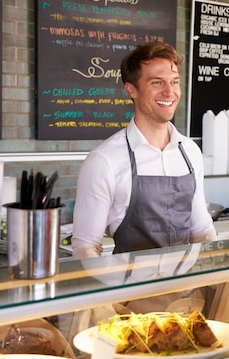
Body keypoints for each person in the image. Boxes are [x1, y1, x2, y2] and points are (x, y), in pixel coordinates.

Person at [72, 41, 217, 259]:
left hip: (185, 289)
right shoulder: (104, 160)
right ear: (132, 90)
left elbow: (201, 229)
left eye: (174, 82)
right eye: (157, 82)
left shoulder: (189, 152)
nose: (169, 92)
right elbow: (86, 247)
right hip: (131, 290)